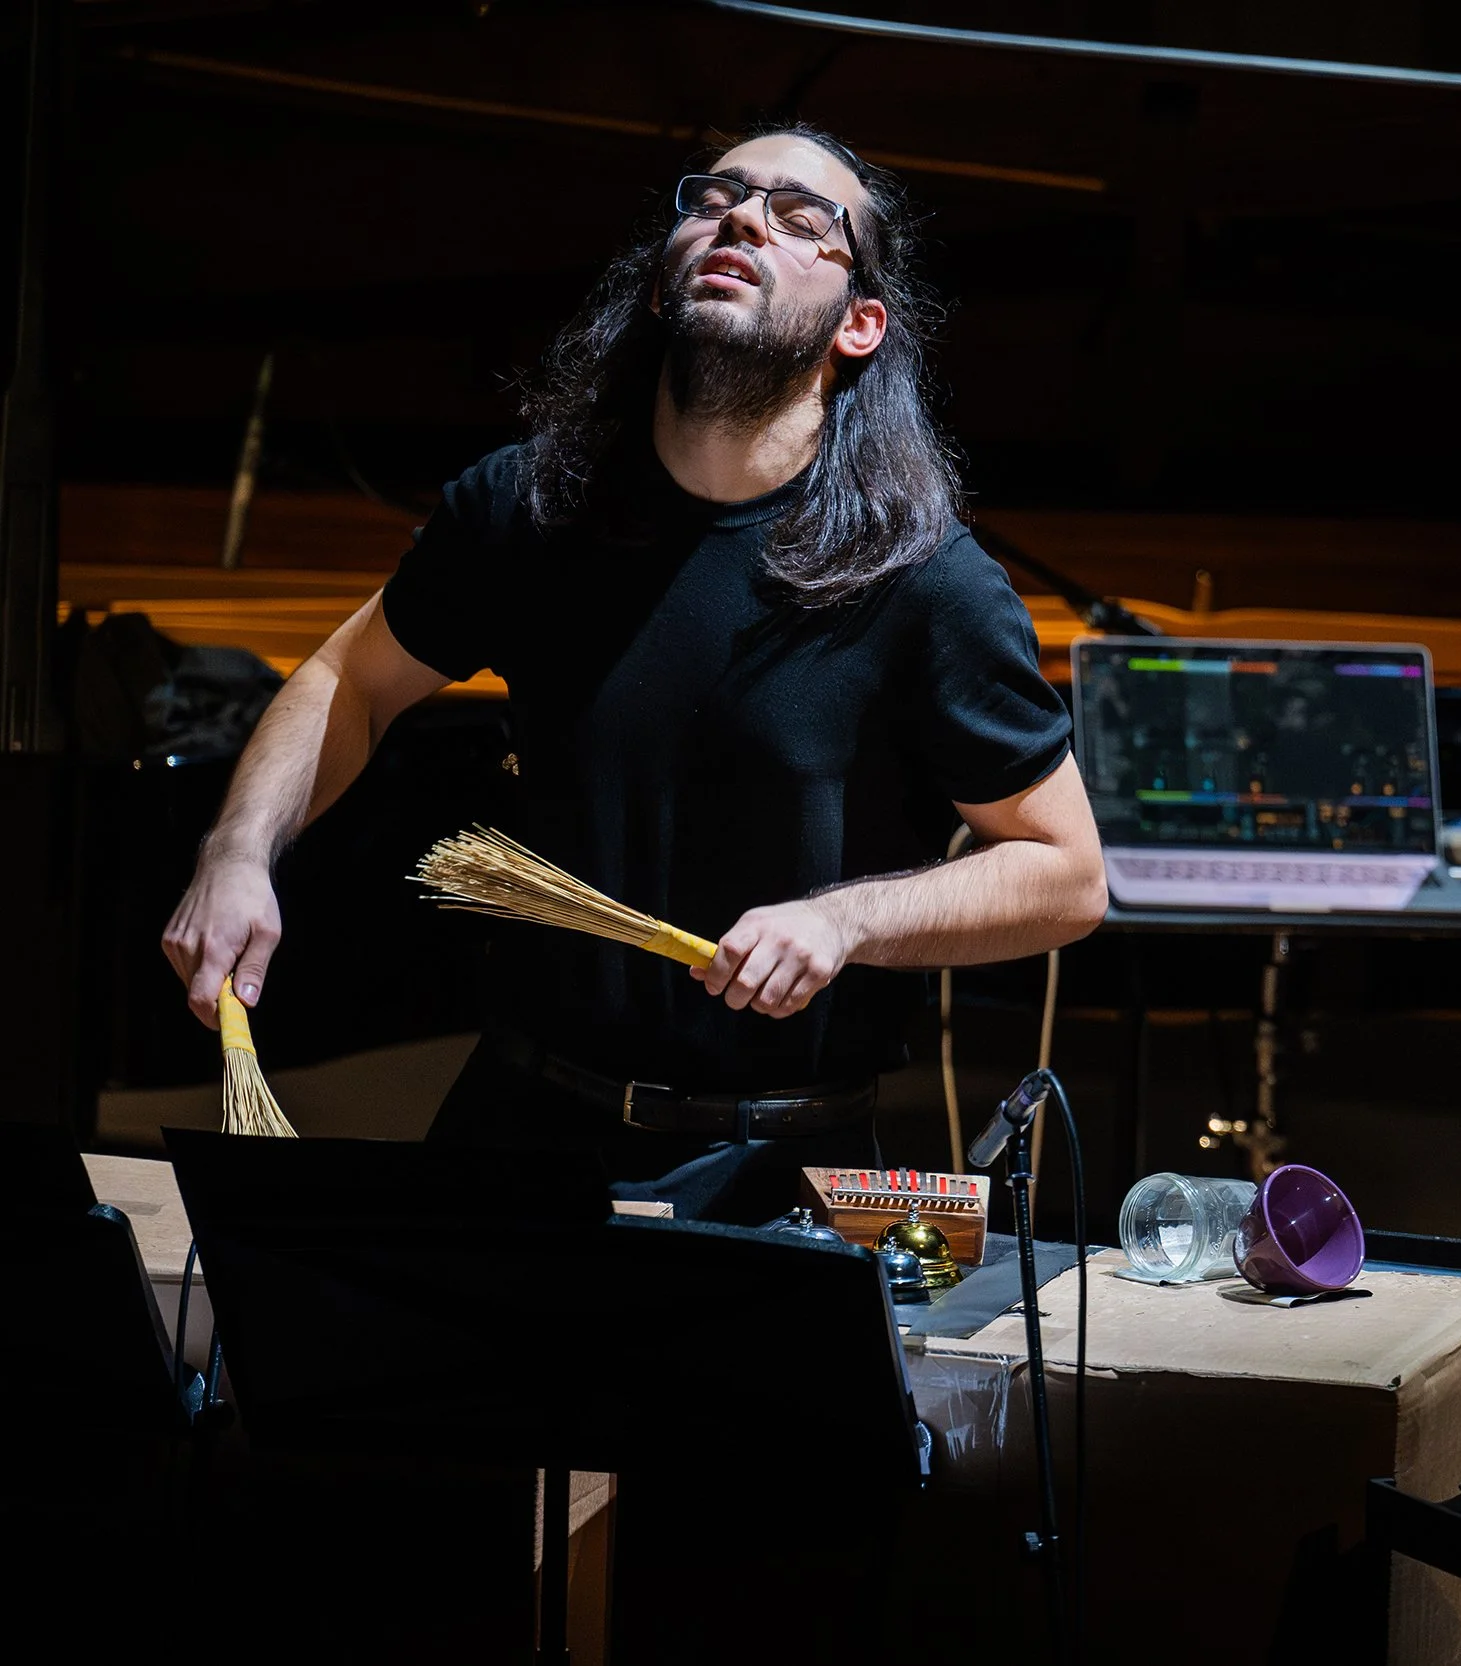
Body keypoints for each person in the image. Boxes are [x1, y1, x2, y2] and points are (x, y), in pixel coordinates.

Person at [160, 123, 1107, 1219]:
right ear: (663, 286)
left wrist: (845, 922)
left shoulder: (921, 580)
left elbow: (1065, 872)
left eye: (801, 218)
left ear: (860, 325)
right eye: (715, 198)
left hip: (778, 1166)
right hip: (519, 1130)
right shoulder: (528, 507)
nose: (742, 217)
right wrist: (236, 851)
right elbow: (349, 680)